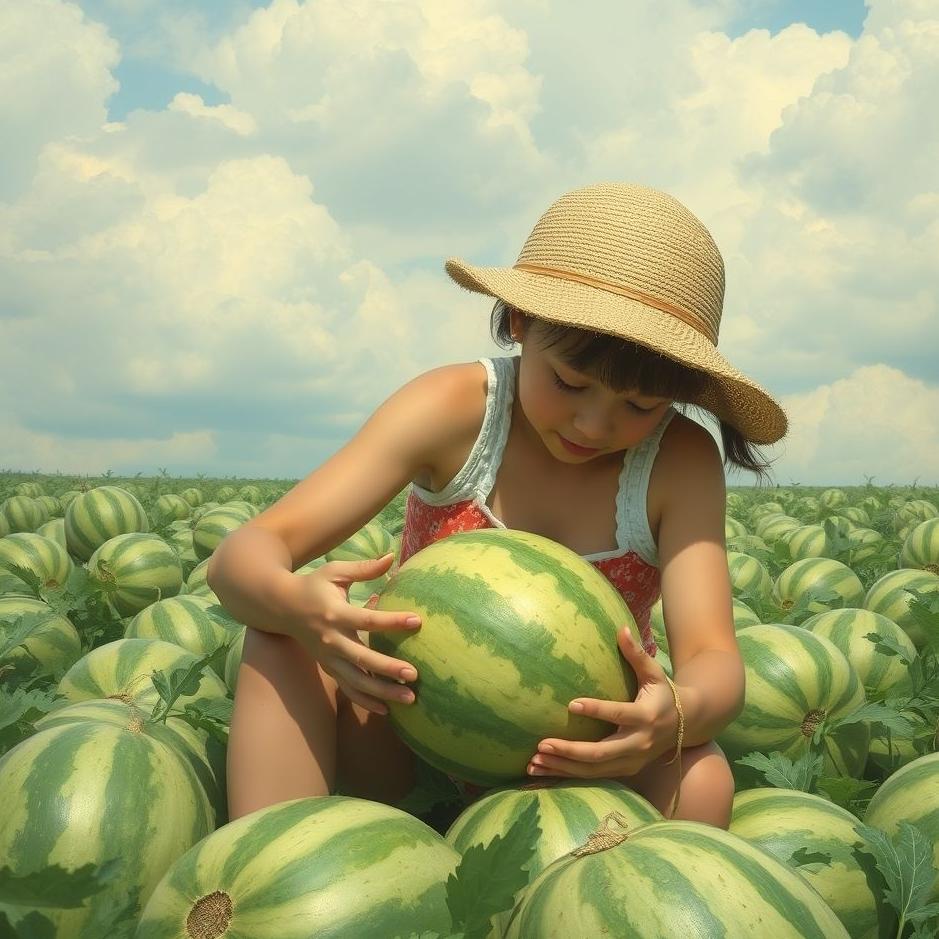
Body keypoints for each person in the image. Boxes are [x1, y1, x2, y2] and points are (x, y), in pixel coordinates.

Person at [208, 182, 788, 831]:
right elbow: (242, 557)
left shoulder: (678, 460)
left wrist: (676, 711)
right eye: (570, 382)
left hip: (576, 757)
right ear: (519, 321)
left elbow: (713, 657)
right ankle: (267, 878)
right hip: (400, 725)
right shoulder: (452, 408)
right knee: (279, 636)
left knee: (702, 779)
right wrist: (296, 606)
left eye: (639, 405)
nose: (595, 423)